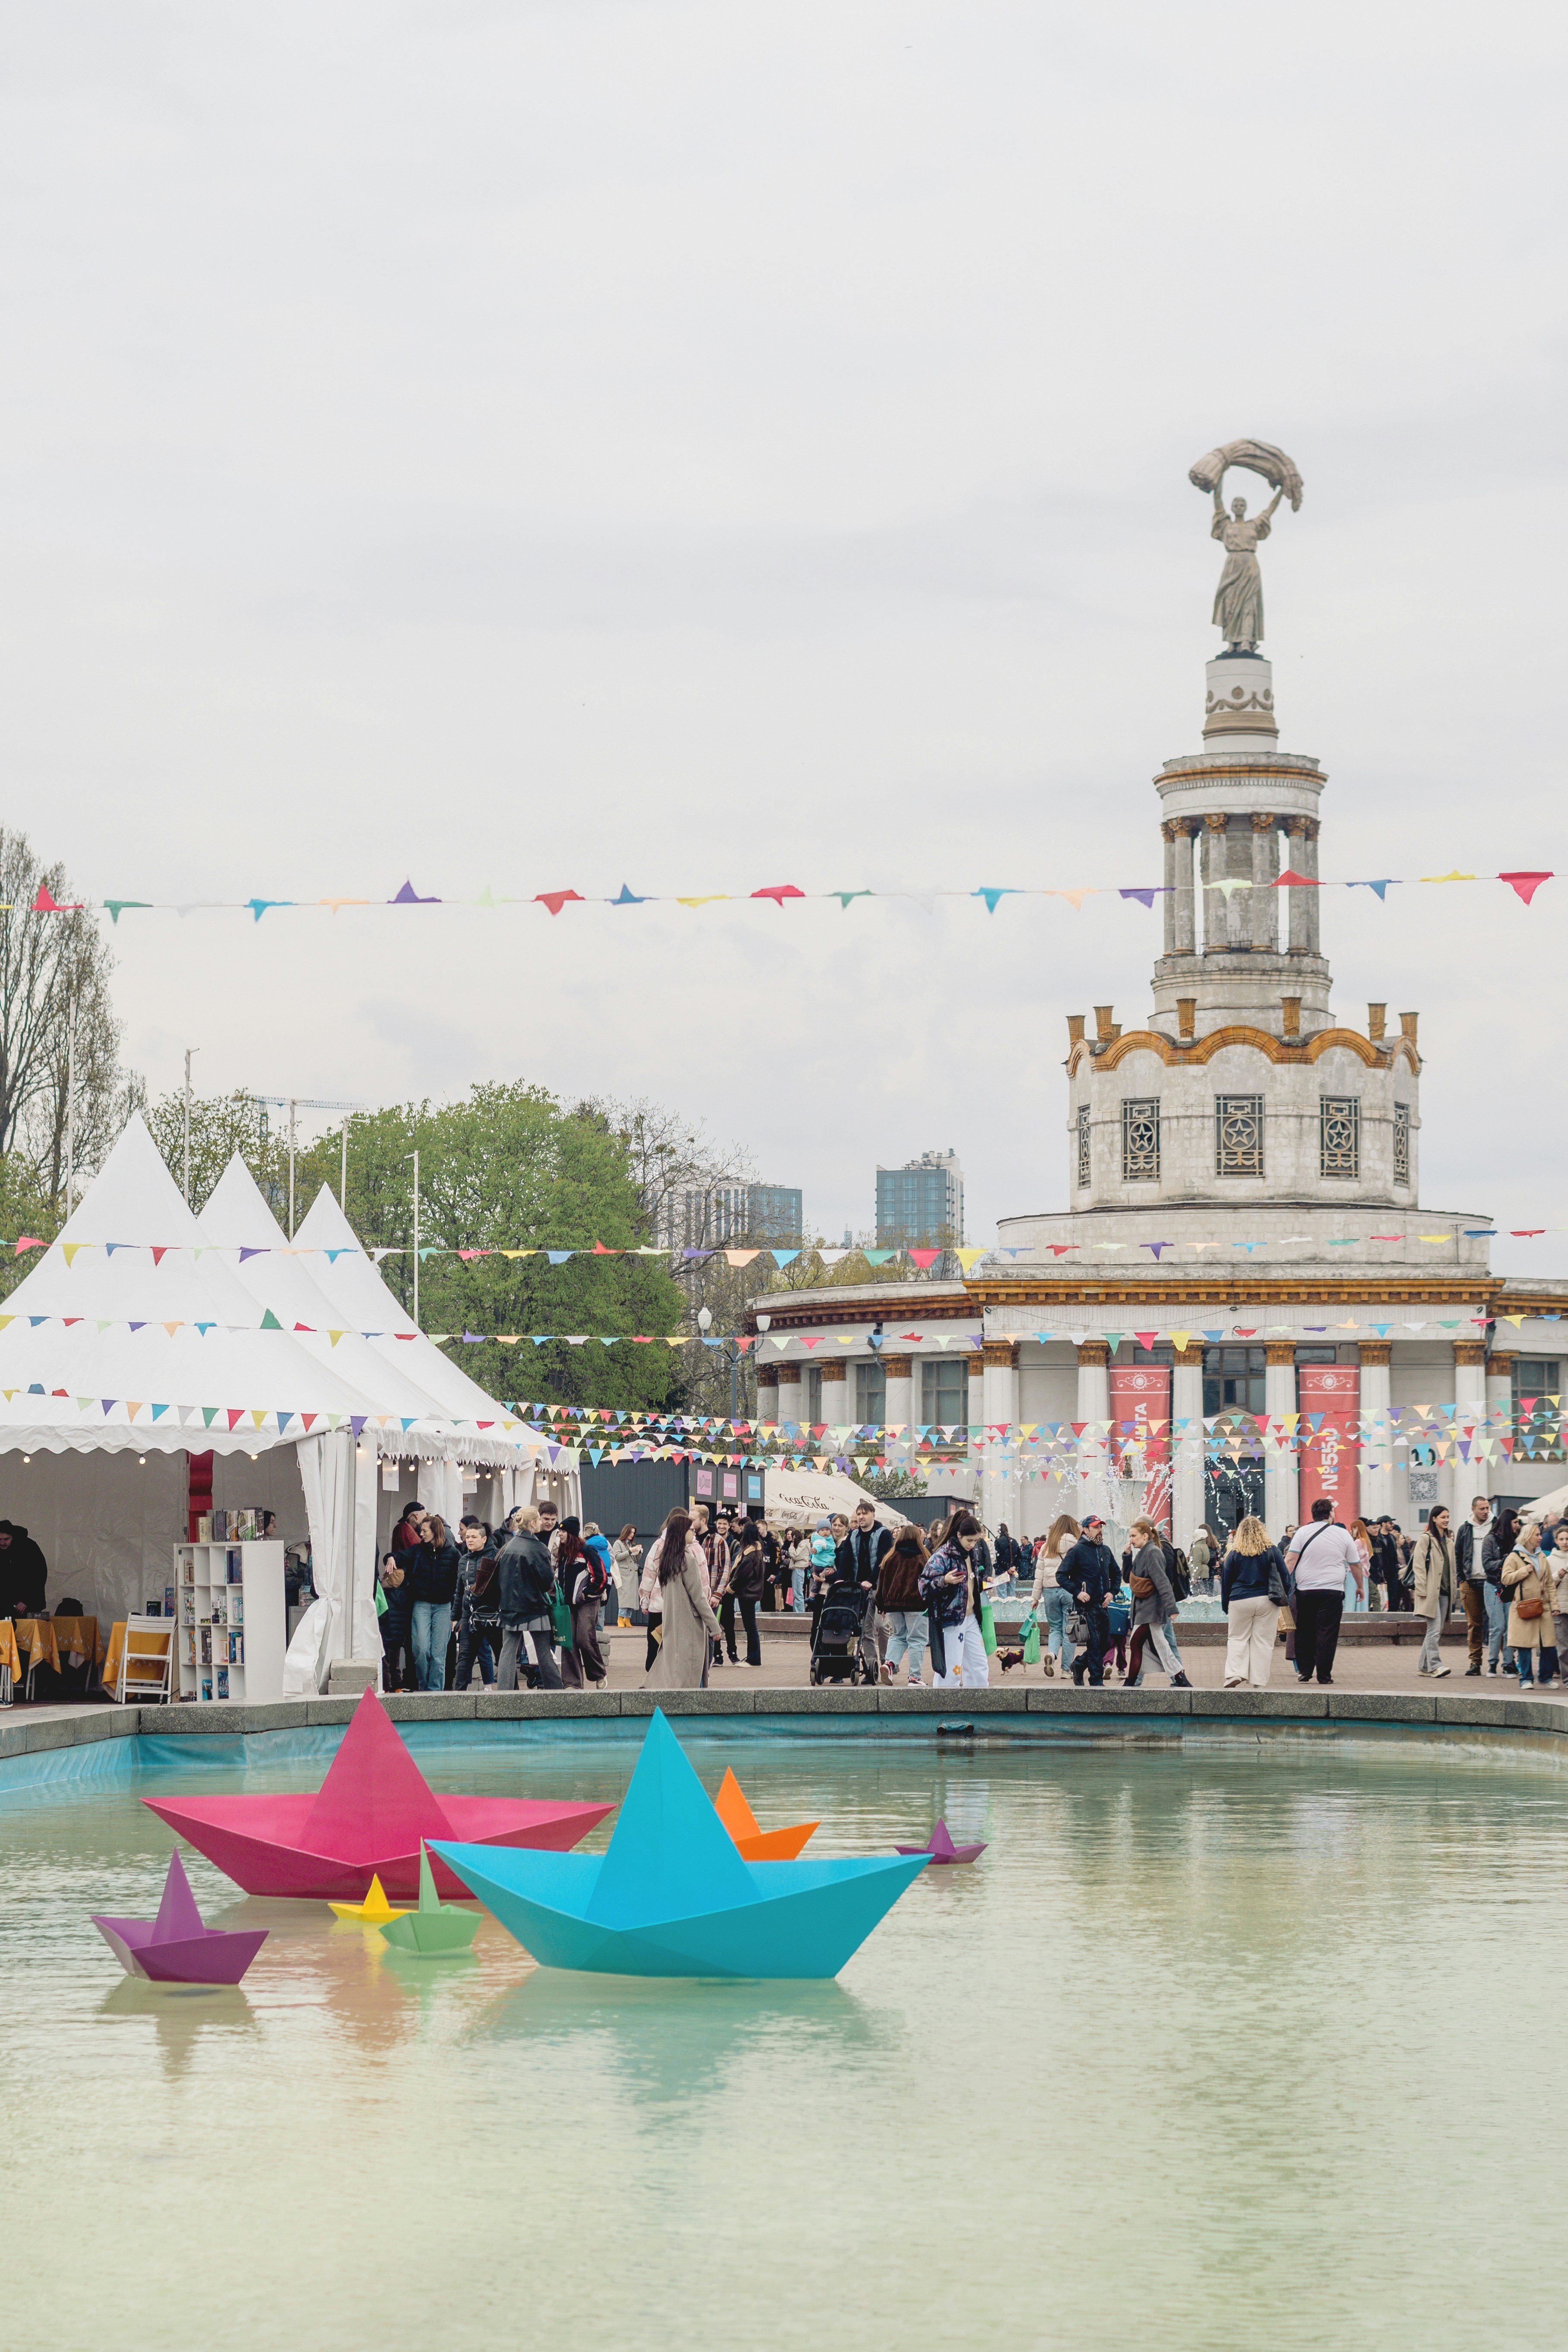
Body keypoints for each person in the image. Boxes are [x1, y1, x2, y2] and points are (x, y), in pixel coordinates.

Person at [1284, 1501, 1363, 1685]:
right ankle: (1324, 1675)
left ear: (1313, 1514)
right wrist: (1360, 1586)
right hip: (1332, 1592)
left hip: (1305, 1590)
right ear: (1331, 1513)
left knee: (1304, 1631)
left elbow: (1290, 1559)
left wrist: (1281, 1583)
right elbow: (1356, 1564)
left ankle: (1304, 1671)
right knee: (1327, 1633)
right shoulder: (1342, 1534)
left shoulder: (1302, 1533)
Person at [643, 1508, 722, 1689]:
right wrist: (714, 1625)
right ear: (682, 1533)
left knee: (672, 1668)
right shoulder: (689, 1560)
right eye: (691, 1531)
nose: (694, 1534)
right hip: (689, 1625)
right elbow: (699, 1597)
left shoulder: (665, 1560)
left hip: (670, 1621)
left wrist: (645, 1599)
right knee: (690, 1674)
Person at [495, 1507, 564, 1690]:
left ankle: (503, 1693)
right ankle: (557, 1691)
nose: (543, 1523)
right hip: (534, 1607)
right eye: (540, 1520)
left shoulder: (507, 1546)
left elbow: (500, 1579)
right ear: (533, 1523)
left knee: (508, 1652)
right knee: (544, 1652)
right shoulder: (538, 1547)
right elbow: (547, 1581)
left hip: (509, 1607)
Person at [920, 1511, 989, 1689]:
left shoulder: (971, 1554)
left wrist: (983, 1581)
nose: (973, 1545)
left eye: (976, 1541)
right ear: (959, 1535)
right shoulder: (942, 1556)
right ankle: (942, 1707)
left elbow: (971, 1583)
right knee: (951, 1669)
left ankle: (979, 1704)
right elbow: (923, 1586)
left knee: (979, 1665)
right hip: (951, 1620)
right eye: (970, 1541)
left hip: (971, 1616)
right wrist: (945, 1581)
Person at [1123, 1517, 1192, 1687]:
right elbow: (1128, 1578)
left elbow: (1163, 1582)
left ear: (1145, 1536)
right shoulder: (1143, 1553)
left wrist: (1171, 1608)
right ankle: (1180, 1679)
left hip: (1151, 1610)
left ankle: (1130, 1684)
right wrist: (1127, 1556)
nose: (1131, 1540)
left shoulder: (1152, 1553)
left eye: (1134, 1536)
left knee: (1137, 1643)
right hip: (1145, 1610)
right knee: (1161, 1647)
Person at [1220, 1514, 1283, 1688]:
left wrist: (1226, 1606)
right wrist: (1285, 1599)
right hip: (1267, 1600)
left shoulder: (1234, 1554)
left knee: (1237, 1638)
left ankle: (1234, 1674)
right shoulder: (1273, 1551)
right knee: (1263, 1642)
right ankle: (1259, 1681)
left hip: (1239, 1600)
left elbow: (1226, 1582)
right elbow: (1285, 1576)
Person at [1057, 1513, 1118, 1688]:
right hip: (1085, 1607)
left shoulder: (1105, 1550)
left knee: (1106, 1643)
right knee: (1095, 1643)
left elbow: (1116, 1573)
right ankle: (1096, 1681)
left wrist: (1112, 1592)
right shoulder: (1077, 1551)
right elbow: (1061, 1575)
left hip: (1102, 1605)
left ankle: (1079, 1664)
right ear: (1086, 1530)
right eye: (1096, 1527)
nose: (1100, 1531)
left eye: (1101, 1527)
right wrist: (1077, 1592)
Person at [1501, 1519, 1560, 1690]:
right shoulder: (1515, 1556)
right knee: (1524, 1646)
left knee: (1549, 1645)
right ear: (1528, 1537)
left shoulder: (1542, 1556)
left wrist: (1555, 1605)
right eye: (1537, 1535)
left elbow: (1549, 1582)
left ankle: (1545, 1677)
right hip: (1523, 1607)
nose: (1541, 1537)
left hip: (1543, 1606)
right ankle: (1526, 1679)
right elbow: (1506, 1578)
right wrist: (1522, 1572)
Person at [409, 1513, 460, 1691]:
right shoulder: (417, 1551)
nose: (421, 1534)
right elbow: (400, 1556)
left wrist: (457, 1609)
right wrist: (390, 1558)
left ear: (434, 1531)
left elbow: (460, 1582)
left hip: (444, 1607)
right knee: (422, 1650)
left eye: (424, 1530)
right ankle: (424, 1689)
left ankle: (435, 1692)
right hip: (421, 1605)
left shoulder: (453, 1553)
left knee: (439, 1654)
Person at [1028, 1514, 1080, 1677]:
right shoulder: (1076, 1544)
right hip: (1069, 1590)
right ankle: (1066, 1670)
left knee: (1055, 1628)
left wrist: (1035, 1598)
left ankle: (1051, 1653)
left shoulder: (1046, 1546)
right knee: (1070, 1630)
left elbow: (1039, 1575)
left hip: (1049, 1591)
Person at [877, 1528, 929, 1685]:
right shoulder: (924, 1557)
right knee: (917, 1640)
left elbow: (882, 1584)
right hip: (917, 1604)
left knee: (898, 1636)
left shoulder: (890, 1557)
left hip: (893, 1605)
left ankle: (890, 1663)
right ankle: (915, 1677)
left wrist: (882, 1606)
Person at [453, 1516, 499, 1689]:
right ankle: (459, 1696)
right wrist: (455, 1616)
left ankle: (511, 1693)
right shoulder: (463, 1559)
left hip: (493, 1614)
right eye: (468, 1537)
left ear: (484, 1539)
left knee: (502, 1656)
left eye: (474, 1537)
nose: (470, 1540)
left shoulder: (496, 1556)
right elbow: (460, 1590)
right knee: (465, 1657)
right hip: (470, 1615)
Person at [1410, 1506, 1456, 1678]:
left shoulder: (1449, 1541)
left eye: (1448, 1517)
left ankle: (1423, 1666)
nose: (1446, 1520)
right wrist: (1421, 1588)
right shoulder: (1426, 1539)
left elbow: (1452, 1568)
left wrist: (1454, 1591)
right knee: (1434, 1628)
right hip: (1429, 1591)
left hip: (1445, 1591)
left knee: (1437, 1628)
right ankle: (1436, 1665)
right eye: (1443, 1517)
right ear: (1434, 1519)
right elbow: (1419, 1565)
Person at [563, 1539, 610, 1690]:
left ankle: (599, 1674)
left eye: (564, 1532)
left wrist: (587, 1593)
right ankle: (572, 1682)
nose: (560, 1534)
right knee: (569, 1641)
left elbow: (602, 1576)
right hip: (568, 1601)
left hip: (588, 1601)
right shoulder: (561, 1551)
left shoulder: (588, 1550)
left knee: (584, 1637)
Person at [1453, 1494, 1492, 1675]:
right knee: (1474, 1624)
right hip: (1470, 1581)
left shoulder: (1496, 1526)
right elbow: (1458, 1554)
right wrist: (1461, 1578)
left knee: (1498, 1624)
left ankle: (1505, 1661)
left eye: (1487, 1508)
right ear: (1473, 1510)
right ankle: (1475, 1663)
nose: (1486, 1511)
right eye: (1482, 1509)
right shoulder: (1465, 1529)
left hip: (1492, 1581)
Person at [722, 1519, 766, 1667]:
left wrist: (729, 1589)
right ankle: (753, 1658)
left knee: (750, 1626)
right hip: (750, 1593)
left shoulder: (751, 1554)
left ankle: (753, 1659)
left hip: (747, 1593)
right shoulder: (755, 1551)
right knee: (750, 1626)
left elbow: (741, 1576)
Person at [1485, 1506, 1520, 1676]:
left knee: (1509, 1627)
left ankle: (1508, 1663)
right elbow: (1487, 1565)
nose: (1518, 1525)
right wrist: (1505, 1562)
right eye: (1515, 1522)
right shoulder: (1490, 1539)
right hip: (1493, 1586)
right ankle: (1492, 1663)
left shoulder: (1516, 1541)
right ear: (1507, 1523)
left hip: (1510, 1587)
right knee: (1497, 1626)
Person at [377, 1548, 416, 1691]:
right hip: (398, 1638)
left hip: (386, 1635)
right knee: (396, 1663)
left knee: (386, 1662)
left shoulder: (386, 1597)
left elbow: (382, 1615)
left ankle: (387, 1686)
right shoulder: (405, 1597)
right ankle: (398, 1684)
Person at [0, 1522, 47, 1616]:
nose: (2, 1543)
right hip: (5, 1605)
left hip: (30, 1603)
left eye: (6, 1539)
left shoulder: (29, 1547)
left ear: (13, 1537)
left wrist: (27, 1600)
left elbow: (39, 1575)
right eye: (0, 1539)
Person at [611, 1525, 642, 1621]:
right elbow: (617, 1557)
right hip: (624, 1574)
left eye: (633, 1533)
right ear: (626, 1532)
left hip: (632, 1574)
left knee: (632, 1597)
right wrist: (629, 1551)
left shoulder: (630, 1544)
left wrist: (639, 1552)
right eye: (631, 1533)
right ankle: (621, 1618)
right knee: (625, 1596)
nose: (632, 1535)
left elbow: (636, 1558)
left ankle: (628, 1618)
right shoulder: (618, 1543)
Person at [1550, 1525, 1568, 1672]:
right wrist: (1557, 1576)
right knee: (1563, 1648)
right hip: (1560, 1609)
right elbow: (1546, 1584)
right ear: (1556, 1541)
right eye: (1561, 1539)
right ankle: (1567, 1678)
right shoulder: (1550, 1560)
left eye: (1567, 1539)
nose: (1565, 1542)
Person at [1347, 1517, 1373, 1613]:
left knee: (1351, 1598)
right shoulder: (1366, 1542)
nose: (1351, 1531)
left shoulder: (1357, 1542)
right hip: (1364, 1573)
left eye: (1353, 1528)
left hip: (1354, 1573)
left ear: (1357, 1529)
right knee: (1362, 1600)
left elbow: (1350, 1556)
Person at [1187, 1522, 1216, 1598]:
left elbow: (1197, 1563)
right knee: (1208, 1595)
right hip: (1206, 1573)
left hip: (1200, 1575)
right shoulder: (1205, 1546)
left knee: (1198, 1597)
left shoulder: (1198, 1548)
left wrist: (1195, 1578)